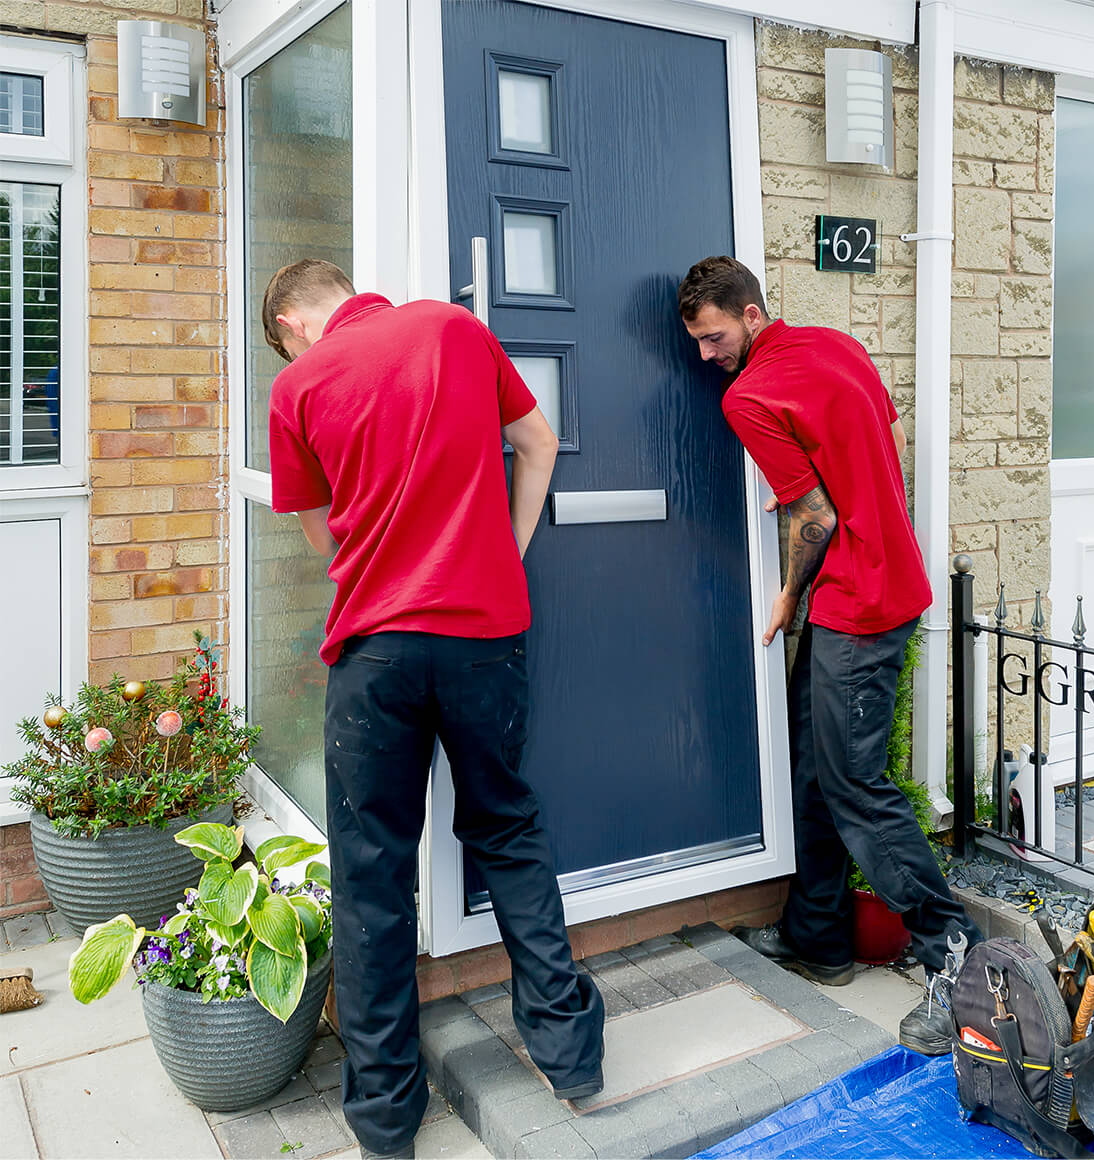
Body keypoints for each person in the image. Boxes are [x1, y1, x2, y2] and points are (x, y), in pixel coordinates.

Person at [263, 259, 605, 1159]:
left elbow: (322, 532)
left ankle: (384, 1119)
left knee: (371, 871)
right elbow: (537, 443)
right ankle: (571, 1059)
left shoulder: (298, 386)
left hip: (377, 651)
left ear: (295, 318)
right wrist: (504, 547)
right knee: (507, 831)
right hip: (483, 635)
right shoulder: (454, 330)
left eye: (279, 337)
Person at [677, 255, 983, 1056]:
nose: (706, 357)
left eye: (712, 338)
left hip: (859, 603)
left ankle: (958, 959)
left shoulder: (749, 397)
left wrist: (785, 596)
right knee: (816, 766)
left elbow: (810, 517)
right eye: (696, 345)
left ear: (748, 314)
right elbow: (888, 435)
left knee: (856, 784)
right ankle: (818, 938)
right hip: (883, 582)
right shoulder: (836, 345)